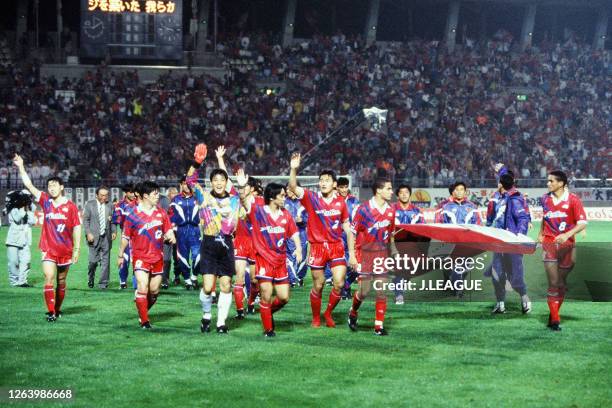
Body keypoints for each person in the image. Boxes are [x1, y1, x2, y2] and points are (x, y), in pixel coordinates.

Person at [288, 153, 356, 328]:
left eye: (327, 180)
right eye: (321, 180)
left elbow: (348, 229)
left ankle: (328, 312)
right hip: (317, 248)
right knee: (318, 285)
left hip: (335, 248)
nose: (323, 182)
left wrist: (353, 254)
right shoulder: (312, 198)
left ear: (334, 184)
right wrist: (294, 168)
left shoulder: (341, 203)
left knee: (339, 283)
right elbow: (293, 186)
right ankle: (316, 317)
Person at [13, 154, 81, 322]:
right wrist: (21, 166)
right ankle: (51, 312)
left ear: (62, 187)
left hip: (65, 250)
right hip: (48, 248)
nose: (51, 188)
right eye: (49, 185)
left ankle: (57, 309)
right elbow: (29, 185)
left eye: (54, 185)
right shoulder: (45, 201)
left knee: (61, 280)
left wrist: (77, 249)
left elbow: (77, 228)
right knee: (49, 277)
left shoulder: (70, 207)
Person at [237, 170, 302, 337]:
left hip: (280, 262)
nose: (284, 197)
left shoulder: (286, 214)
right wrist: (242, 185)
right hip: (263, 261)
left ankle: (266, 312)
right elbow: (244, 200)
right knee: (265, 294)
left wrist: (299, 248)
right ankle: (268, 329)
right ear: (272, 197)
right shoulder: (258, 212)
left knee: (284, 297)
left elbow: (294, 232)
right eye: (281, 195)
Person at [186, 144, 242, 334]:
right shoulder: (203, 197)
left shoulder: (234, 198)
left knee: (226, 285)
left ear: (226, 182)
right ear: (211, 183)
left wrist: (220, 160)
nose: (219, 183)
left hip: (227, 245)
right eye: (215, 180)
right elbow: (190, 180)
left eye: (222, 180)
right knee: (208, 287)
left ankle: (221, 323)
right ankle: (207, 315)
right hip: (209, 245)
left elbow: (231, 181)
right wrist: (197, 162)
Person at [118, 181, 176, 329]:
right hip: (140, 257)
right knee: (143, 287)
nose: (158, 196)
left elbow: (168, 230)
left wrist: (171, 236)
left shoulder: (161, 213)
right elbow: (125, 237)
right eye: (154, 194)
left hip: (157, 257)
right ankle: (145, 321)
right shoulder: (133, 215)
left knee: (154, 290)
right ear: (145, 196)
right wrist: (120, 255)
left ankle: (142, 309)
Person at [538, 170, 587, 331]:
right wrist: (540, 234)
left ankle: (553, 314)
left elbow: (582, 223)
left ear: (561, 183)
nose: (548, 184)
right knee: (553, 283)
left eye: (551, 181)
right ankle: (556, 321)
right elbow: (544, 218)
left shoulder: (573, 200)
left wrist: (567, 235)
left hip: (568, 246)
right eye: (548, 181)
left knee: (561, 283)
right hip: (549, 244)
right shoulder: (545, 199)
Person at [347, 178, 396, 335]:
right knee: (364, 292)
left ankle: (378, 326)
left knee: (382, 291)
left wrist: (394, 251)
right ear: (379, 190)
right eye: (388, 188)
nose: (391, 191)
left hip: (382, 255)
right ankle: (353, 312)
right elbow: (352, 232)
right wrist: (352, 256)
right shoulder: (363, 209)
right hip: (365, 255)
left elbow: (391, 233)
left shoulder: (391, 211)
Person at [485, 165, 532, 314]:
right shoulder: (495, 199)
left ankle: (524, 298)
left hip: (512, 243)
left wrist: (517, 237)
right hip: (498, 242)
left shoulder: (515, 197)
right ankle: (500, 303)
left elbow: (523, 218)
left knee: (515, 276)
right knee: (496, 273)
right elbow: (489, 219)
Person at [435, 181, 480, 296]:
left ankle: (452, 280)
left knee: (467, 267)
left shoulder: (472, 206)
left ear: (465, 192)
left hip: (467, 243)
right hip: (451, 243)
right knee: (454, 266)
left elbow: (478, 224)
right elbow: (438, 224)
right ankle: (458, 289)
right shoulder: (445, 207)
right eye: (457, 189)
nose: (459, 192)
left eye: (461, 189)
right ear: (452, 192)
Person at [233, 176, 262, 318]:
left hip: (256, 243)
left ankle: (250, 303)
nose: (242, 189)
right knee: (239, 278)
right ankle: (239, 310)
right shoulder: (237, 201)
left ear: (252, 188)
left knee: (255, 280)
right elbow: (226, 180)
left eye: (245, 186)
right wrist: (220, 159)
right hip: (240, 241)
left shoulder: (261, 202)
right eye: (241, 187)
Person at [392, 184, 424, 305]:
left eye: (406, 192)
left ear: (410, 194)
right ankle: (399, 295)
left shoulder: (417, 211)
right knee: (399, 269)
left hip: (412, 246)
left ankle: (398, 286)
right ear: (397, 195)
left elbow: (423, 229)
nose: (404, 194)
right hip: (396, 245)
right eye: (401, 192)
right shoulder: (391, 209)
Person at [83, 186, 116, 289]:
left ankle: (103, 283)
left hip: (106, 237)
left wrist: (114, 231)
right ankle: (90, 277)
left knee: (106, 261)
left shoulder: (110, 205)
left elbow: (113, 220)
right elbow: (86, 220)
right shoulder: (89, 204)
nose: (104, 197)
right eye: (102, 195)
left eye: (106, 195)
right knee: (93, 261)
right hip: (93, 237)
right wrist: (88, 233)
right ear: (96, 195)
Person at [336, 176, 360, 299]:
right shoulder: (334, 200)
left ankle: (345, 286)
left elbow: (359, 218)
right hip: (337, 238)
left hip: (352, 237)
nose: (344, 189)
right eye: (341, 187)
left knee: (356, 267)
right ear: (337, 187)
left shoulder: (354, 201)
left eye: (346, 187)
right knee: (342, 266)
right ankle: (345, 291)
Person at [5, 190, 36, 287]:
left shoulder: (28, 209)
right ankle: (14, 282)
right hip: (13, 239)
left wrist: (28, 209)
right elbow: (17, 219)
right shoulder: (13, 209)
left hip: (25, 240)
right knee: (13, 262)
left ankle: (22, 281)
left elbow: (32, 222)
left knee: (26, 261)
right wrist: (23, 208)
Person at [112, 183, 137, 289]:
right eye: (131, 192)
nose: (133, 194)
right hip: (126, 235)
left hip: (138, 235)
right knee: (125, 258)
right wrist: (114, 231)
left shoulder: (139, 203)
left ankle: (137, 283)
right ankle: (123, 281)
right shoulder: (120, 205)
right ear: (126, 193)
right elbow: (115, 220)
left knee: (137, 259)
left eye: (134, 192)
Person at [284, 185, 308, 288]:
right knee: (290, 257)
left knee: (302, 257)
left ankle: (299, 277)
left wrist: (302, 220)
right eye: (287, 190)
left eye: (291, 189)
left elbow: (310, 218)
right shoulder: (283, 202)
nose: (289, 191)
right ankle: (292, 279)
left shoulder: (304, 203)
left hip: (302, 233)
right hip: (289, 234)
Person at [160, 186, 179, 290]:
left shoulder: (178, 203)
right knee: (165, 257)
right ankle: (163, 278)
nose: (174, 196)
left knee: (176, 256)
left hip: (178, 233)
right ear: (168, 195)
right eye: (172, 194)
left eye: (176, 193)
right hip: (168, 233)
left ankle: (175, 276)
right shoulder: (166, 204)